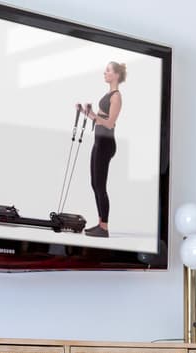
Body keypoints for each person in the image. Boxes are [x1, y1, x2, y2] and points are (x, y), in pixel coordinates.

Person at [75, 61, 125, 238]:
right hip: (99, 142)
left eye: (108, 70)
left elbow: (110, 123)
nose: (105, 73)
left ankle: (104, 228)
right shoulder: (109, 94)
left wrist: (94, 115)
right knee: (94, 184)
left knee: (100, 185)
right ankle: (100, 223)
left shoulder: (116, 96)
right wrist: (84, 112)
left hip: (105, 144)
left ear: (116, 75)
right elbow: (100, 119)